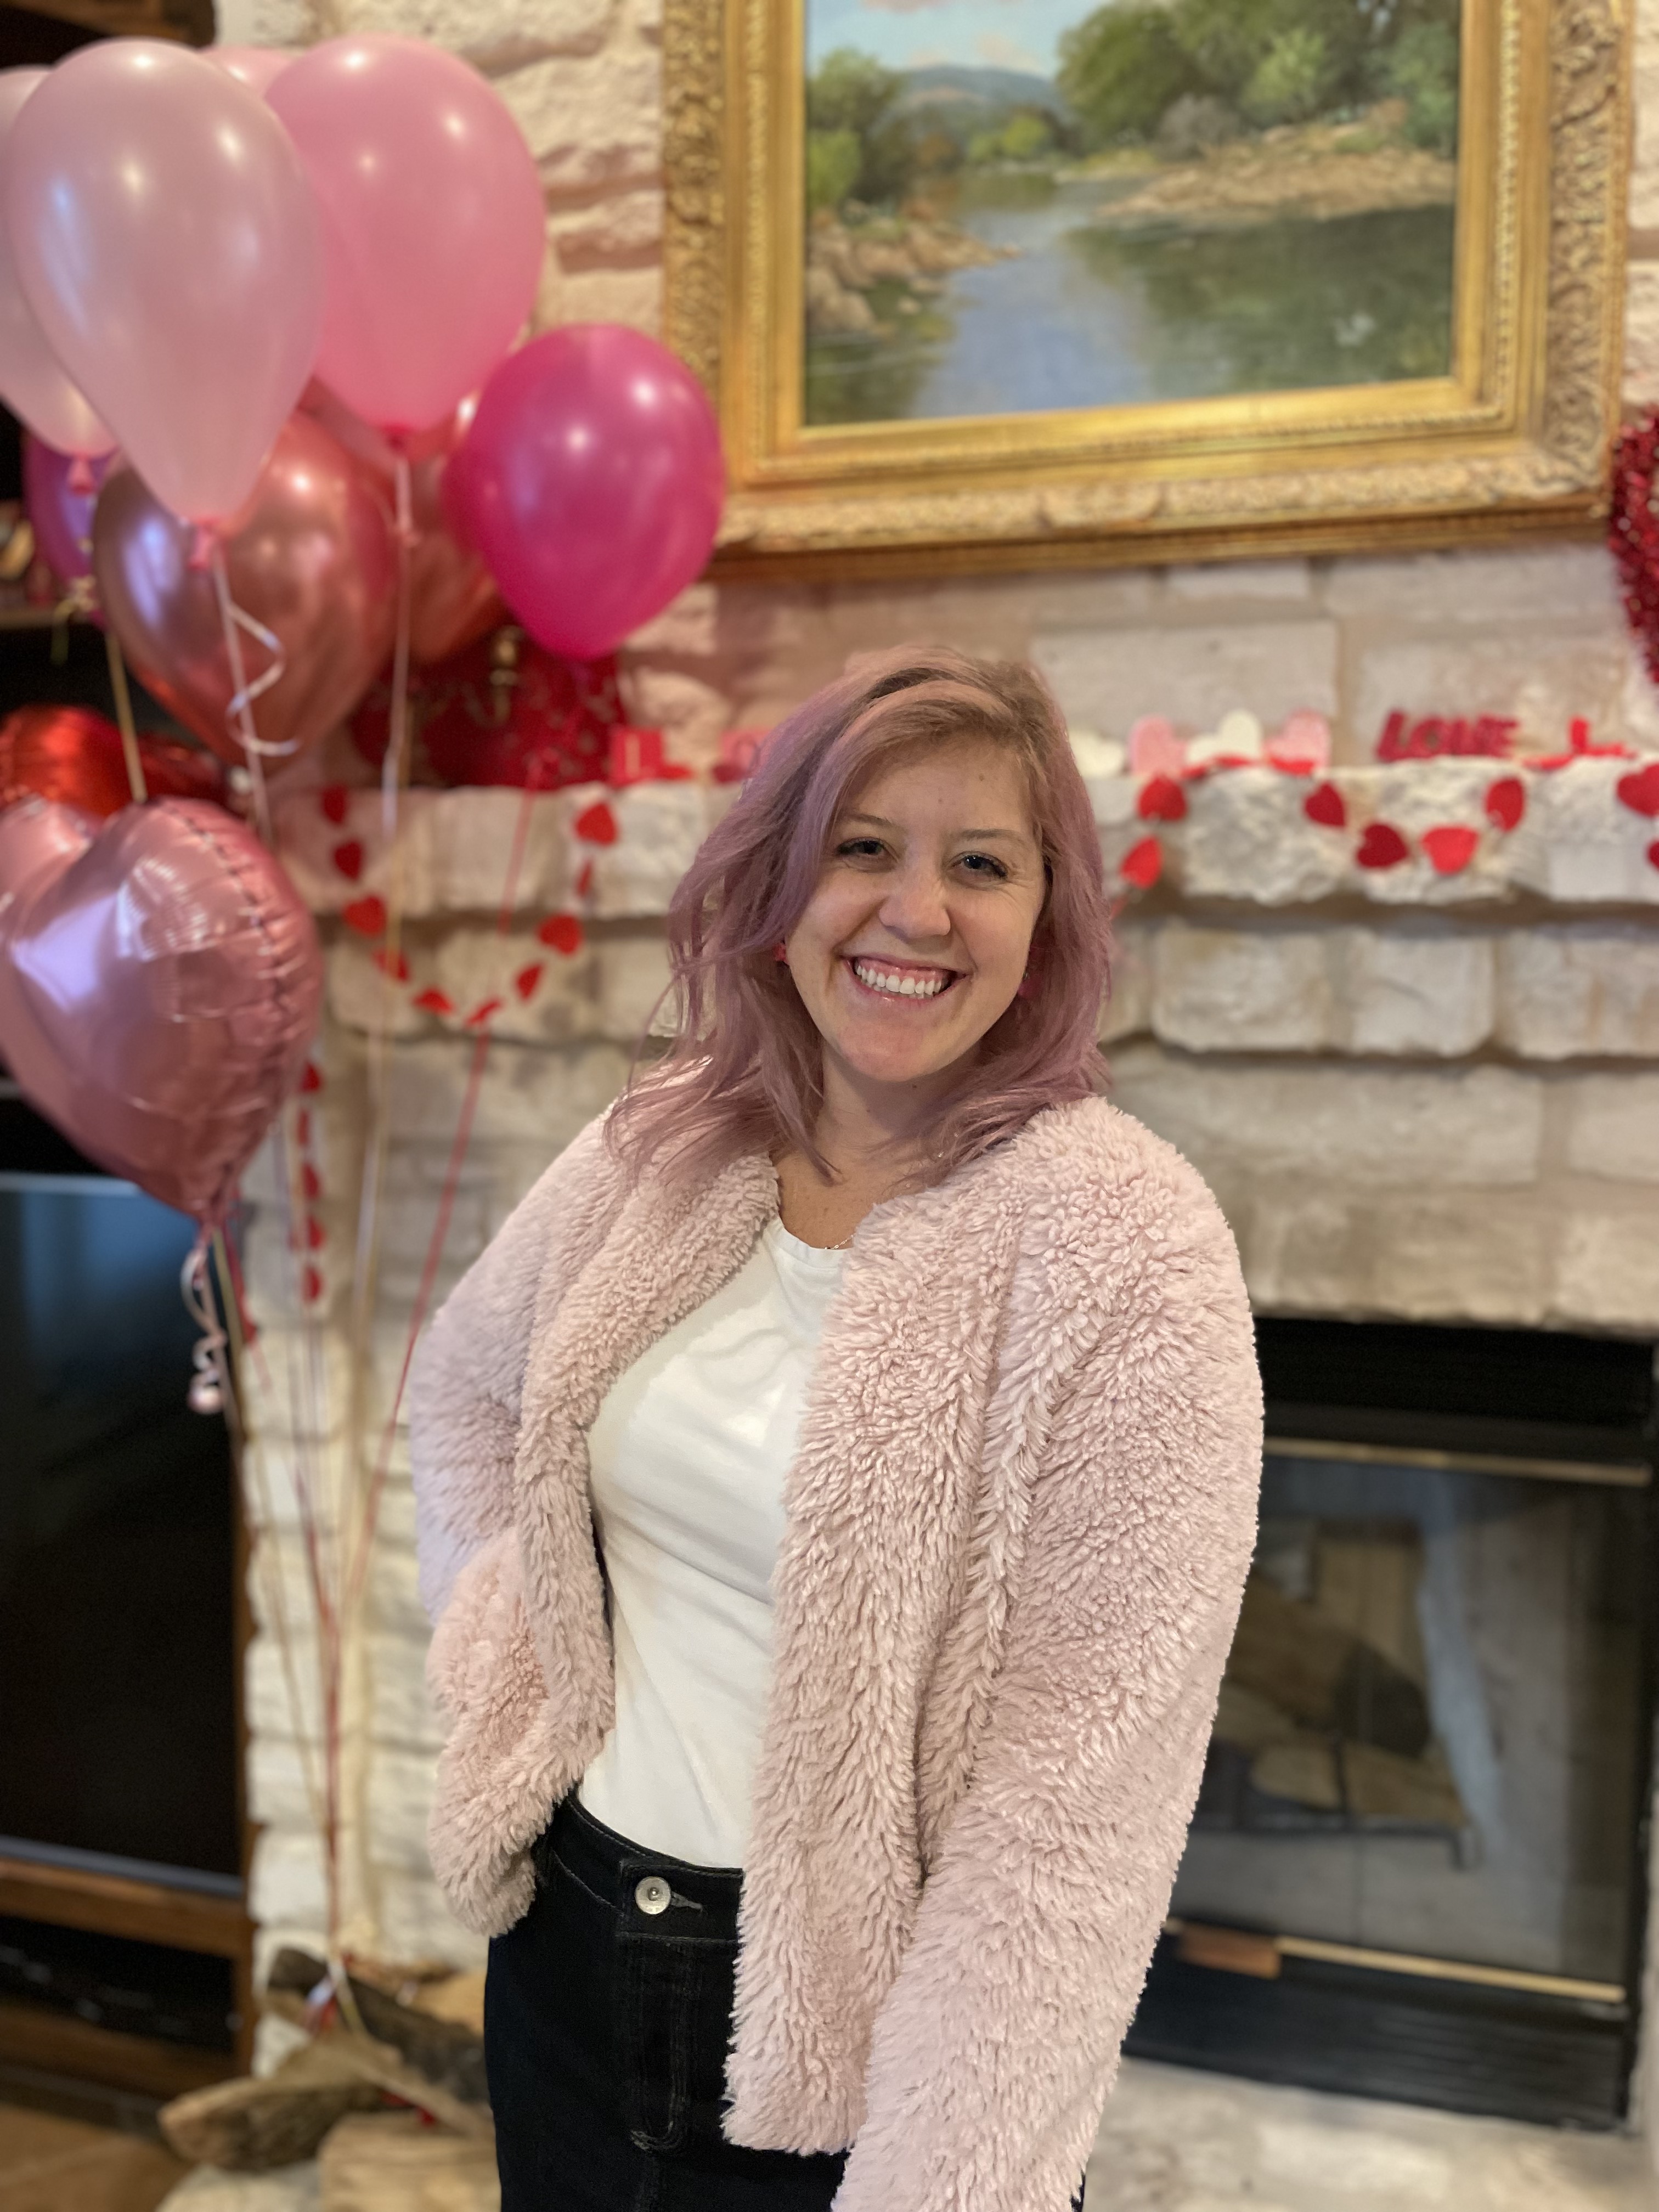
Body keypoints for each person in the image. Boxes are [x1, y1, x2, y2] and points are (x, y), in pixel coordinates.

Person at [410, 646, 1262, 2212]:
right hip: (565, 1962)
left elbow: (1073, 1809)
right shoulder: (664, 1145)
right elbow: (466, 1391)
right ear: (780, 882)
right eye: (862, 847)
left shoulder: (1130, 1249)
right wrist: (503, 1665)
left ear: (1048, 916)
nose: (915, 911)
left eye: (980, 865)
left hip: (856, 2054)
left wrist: (948, 2171)